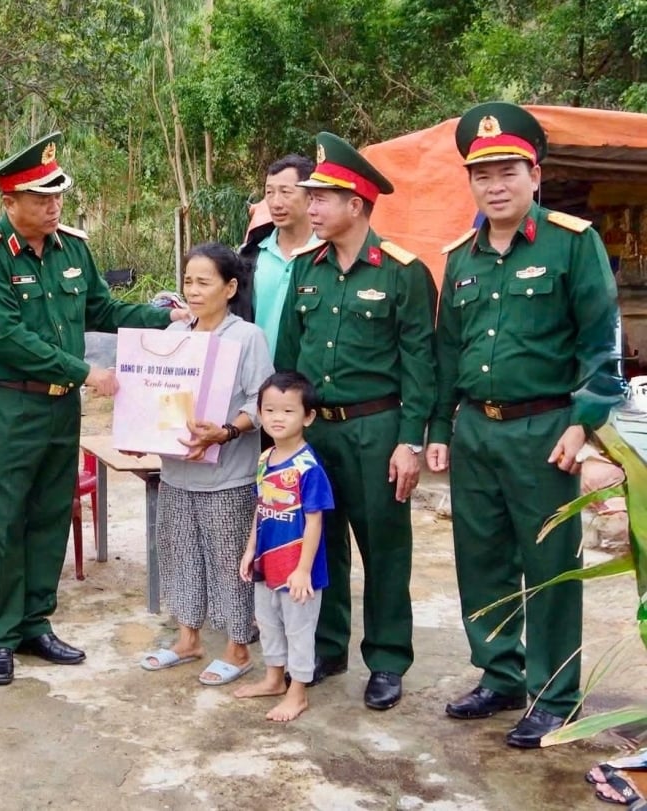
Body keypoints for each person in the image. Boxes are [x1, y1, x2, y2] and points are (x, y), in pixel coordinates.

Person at [426, 102, 624, 748]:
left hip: (546, 431)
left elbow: (601, 345)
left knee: (548, 564)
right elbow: (447, 350)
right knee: (479, 557)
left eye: (508, 169)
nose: (495, 184)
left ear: (534, 174)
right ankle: (500, 671)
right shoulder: (461, 256)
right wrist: (437, 428)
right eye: (481, 173)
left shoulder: (574, 242)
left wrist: (583, 424)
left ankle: (553, 691)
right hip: (475, 431)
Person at [0, 131, 188, 686]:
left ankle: (36, 622)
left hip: (61, 411)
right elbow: (7, 336)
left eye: (57, 195)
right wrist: (87, 372)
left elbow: (100, 308)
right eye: (40, 197)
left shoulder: (73, 248)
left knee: (48, 515)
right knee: (4, 519)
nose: (53, 205)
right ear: (9, 202)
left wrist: (169, 318)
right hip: (10, 407)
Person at [274, 132, 437, 711]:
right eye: (309, 196)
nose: (309, 207)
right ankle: (326, 645)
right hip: (317, 431)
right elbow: (288, 360)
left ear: (357, 206)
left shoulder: (402, 272)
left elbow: (422, 364)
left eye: (321, 198)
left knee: (385, 548)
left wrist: (409, 442)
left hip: (377, 428)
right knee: (320, 544)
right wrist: (287, 431)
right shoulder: (305, 271)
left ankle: (388, 658)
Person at [137, 242, 273, 685]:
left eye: (204, 282)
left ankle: (237, 649)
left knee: (229, 559)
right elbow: (152, 395)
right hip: (177, 471)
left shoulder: (246, 337)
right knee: (179, 553)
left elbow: (260, 402)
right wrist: (139, 428)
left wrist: (228, 431)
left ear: (231, 287)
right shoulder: (174, 339)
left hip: (227, 474)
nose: (193, 291)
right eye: (188, 282)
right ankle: (187, 638)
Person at [234, 371, 334, 721]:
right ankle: (274, 679)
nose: (277, 418)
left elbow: (315, 521)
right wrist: (250, 551)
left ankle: (298, 691)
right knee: (269, 623)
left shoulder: (309, 468)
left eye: (288, 411)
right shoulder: (264, 460)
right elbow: (260, 509)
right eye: (270, 409)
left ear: (308, 417)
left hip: (297, 569)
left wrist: (304, 569)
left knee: (299, 630)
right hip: (266, 564)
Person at [246, 155, 319, 360]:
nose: (275, 203)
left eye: (286, 192)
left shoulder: (328, 256)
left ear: (310, 197)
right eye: (269, 193)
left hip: (305, 384)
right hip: (255, 380)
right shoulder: (251, 256)